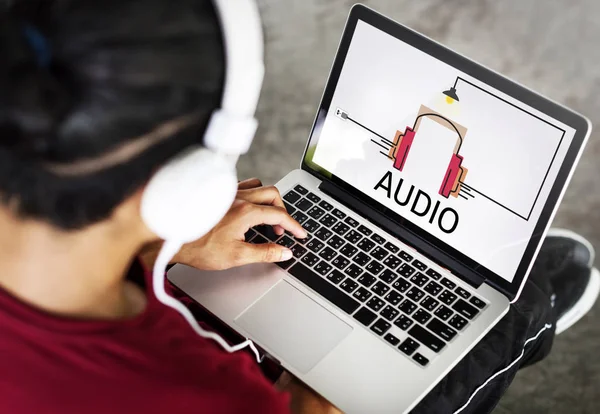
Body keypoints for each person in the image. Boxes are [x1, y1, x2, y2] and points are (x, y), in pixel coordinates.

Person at [0, 1, 597, 413]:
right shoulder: (215, 397)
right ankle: (535, 315)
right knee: (504, 311)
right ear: (192, 182)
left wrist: (168, 246)